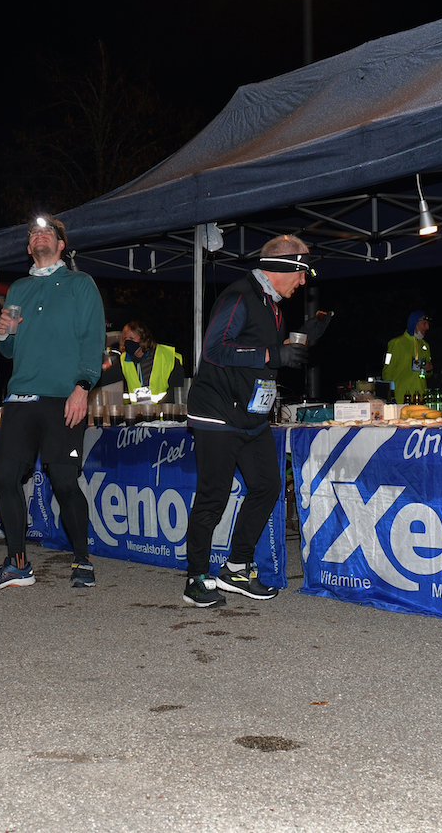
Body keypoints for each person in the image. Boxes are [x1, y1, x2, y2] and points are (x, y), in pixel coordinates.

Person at [183, 234, 320, 608]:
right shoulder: (239, 296)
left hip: (251, 416)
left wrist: (299, 341)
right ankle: (196, 578)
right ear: (284, 267)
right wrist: (272, 352)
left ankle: (236, 567)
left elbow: (263, 354)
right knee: (213, 497)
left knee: (267, 486)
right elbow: (214, 349)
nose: (304, 281)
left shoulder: (271, 304)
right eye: (302, 273)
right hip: (216, 413)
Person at [0, 215, 104, 591]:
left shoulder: (81, 284)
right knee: (4, 477)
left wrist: (83, 387)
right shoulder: (17, 288)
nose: (40, 236)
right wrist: (3, 333)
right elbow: (10, 349)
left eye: (48, 231)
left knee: (64, 481)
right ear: (29, 247)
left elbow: (92, 339)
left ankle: (82, 558)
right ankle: (17, 563)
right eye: (34, 233)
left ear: (61, 245)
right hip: (20, 398)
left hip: (64, 398)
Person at [96, 320, 185, 400]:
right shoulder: (125, 361)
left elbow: (177, 392)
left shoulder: (167, 358)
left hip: (165, 414)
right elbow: (104, 378)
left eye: (131, 338)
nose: (127, 342)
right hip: (139, 415)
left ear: (143, 339)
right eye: (125, 339)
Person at [382, 311, 433, 402]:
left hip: (420, 398)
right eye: (424, 324)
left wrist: (429, 369)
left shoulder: (425, 346)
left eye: (428, 324)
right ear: (414, 323)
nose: (427, 327)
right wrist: (390, 396)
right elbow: (387, 372)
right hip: (401, 398)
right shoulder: (396, 343)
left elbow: (427, 374)